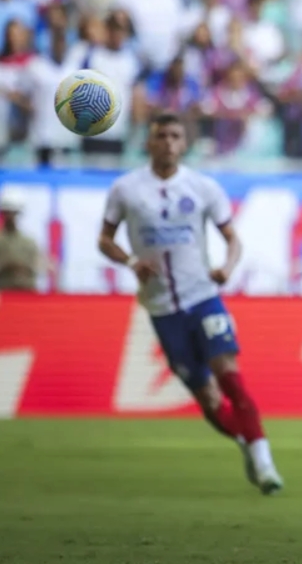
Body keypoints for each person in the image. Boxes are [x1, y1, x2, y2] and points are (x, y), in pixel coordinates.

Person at [98, 114, 283, 495]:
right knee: (210, 402)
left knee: (230, 375)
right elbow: (105, 239)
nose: (168, 142)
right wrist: (131, 262)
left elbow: (233, 239)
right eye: (160, 135)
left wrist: (226, 268)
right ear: (148, 143)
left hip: (203, 297)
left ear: (184, 144)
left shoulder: (202, 187)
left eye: (175, 136)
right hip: (163, 308)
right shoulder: (126, 189)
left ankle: (265, 463)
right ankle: (246, 442)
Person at [0, 191, 41, 291]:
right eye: (8, 212)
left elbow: (39, 265)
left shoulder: (29, 242)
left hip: (27, 291)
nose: (11, 216)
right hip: (4, 290)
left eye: (14, 213)